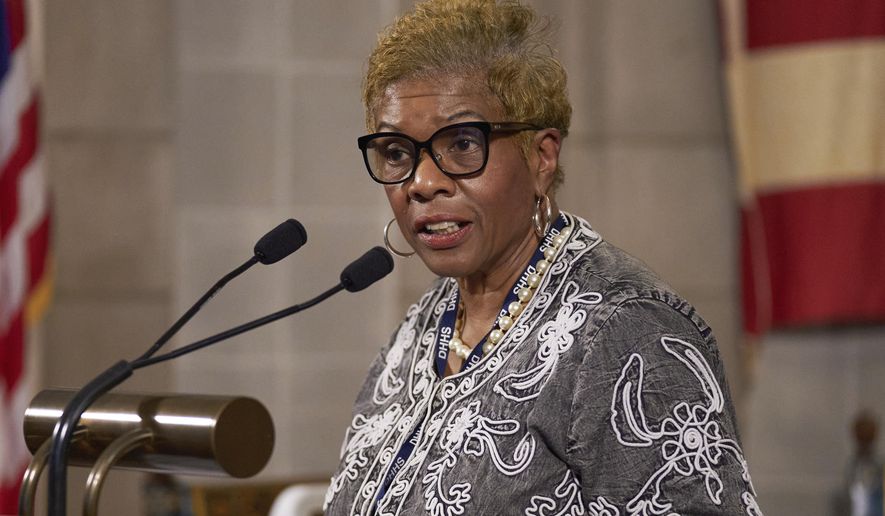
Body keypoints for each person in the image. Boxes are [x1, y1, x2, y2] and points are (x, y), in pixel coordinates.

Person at [324, 1, 762, 514]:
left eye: (462, 143)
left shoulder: (627, 334)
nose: (421, 182)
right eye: (397, 152)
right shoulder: (421, 328)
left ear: (542, 157)